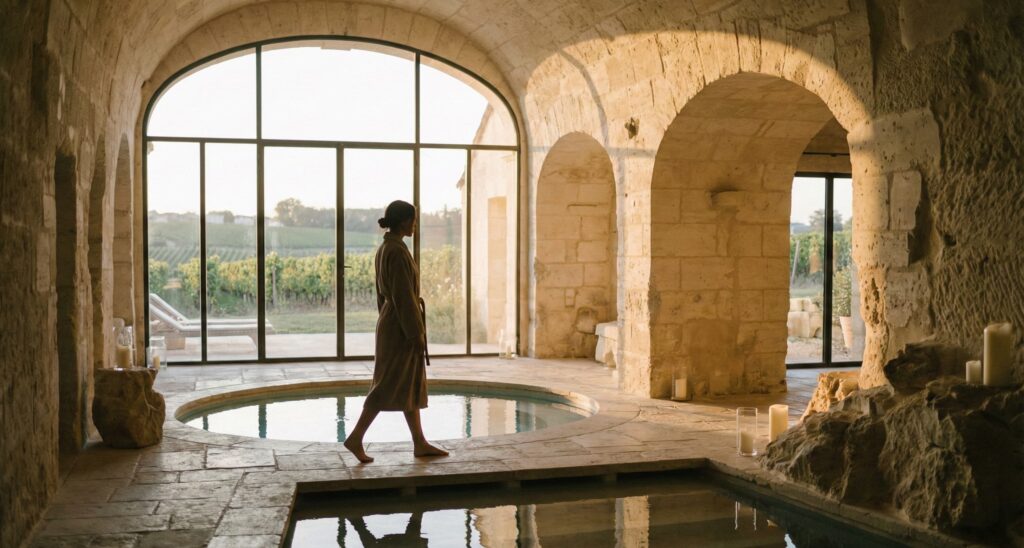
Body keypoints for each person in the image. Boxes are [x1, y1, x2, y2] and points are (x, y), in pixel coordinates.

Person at [343, 200, 448, 463]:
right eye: (413, 220)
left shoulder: (387, 247)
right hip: (401, 325)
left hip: (392, 320)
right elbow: (403, 296)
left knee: (408, 382)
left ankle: (419, 442)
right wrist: (415, 333)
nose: (415, 225)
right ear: (404, 222)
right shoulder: (397, 252)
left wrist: (389, 319)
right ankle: (355, 438)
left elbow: (386, 296)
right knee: (388, 383)